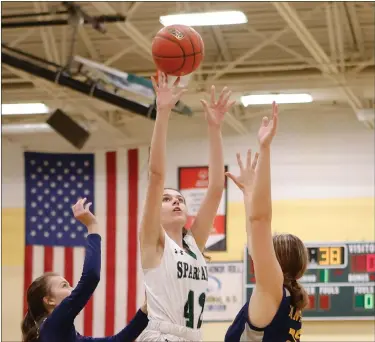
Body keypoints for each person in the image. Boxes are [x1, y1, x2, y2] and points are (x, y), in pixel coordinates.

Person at [138, 71, 235, 341]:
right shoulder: (153, 241)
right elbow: (156, 175)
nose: (176, 201)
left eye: (179, 199)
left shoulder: (194, 245)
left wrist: (215, 129)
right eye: (167, 199)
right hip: (161, 335)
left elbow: (216, 188)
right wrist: (164, 110)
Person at [224, 103, 309, 342]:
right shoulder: (285, 299)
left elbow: (260, 221)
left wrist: (265, 148)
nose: (258, 250)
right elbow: (255, 235)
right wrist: (248, 193)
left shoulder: (272, 288)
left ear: (275, 260)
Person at [21, 198, 149, 342]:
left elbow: (119, 340)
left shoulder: (65, 333)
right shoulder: (53, 324)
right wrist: (92, 227)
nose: (73, 288)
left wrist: (146, 309)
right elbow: (91, 277)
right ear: (49, 300)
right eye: (64, 285)